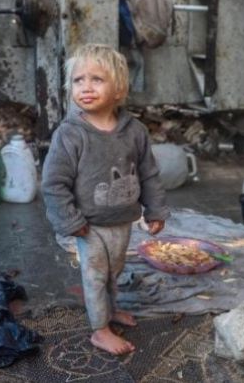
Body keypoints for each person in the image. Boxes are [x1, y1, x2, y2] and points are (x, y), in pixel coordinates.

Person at [41, 43, 169, 355]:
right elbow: (53, 183)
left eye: (96, 79)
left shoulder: (134, 131)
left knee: (114, 271)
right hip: (89, 225)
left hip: (122, 221)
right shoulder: (70, 134)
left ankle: (110, 311)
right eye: (78, 80)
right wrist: (70, 221)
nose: (86, 87)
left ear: (119, 89)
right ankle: (100, 330)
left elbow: (148, 173)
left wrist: (155, 210)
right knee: (95, 275)